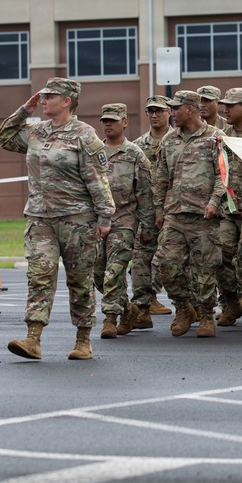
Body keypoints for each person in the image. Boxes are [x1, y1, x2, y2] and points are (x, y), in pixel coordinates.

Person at [0, 77, 115, 361]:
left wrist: (104, 217)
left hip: (78, 219)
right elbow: (4, 138)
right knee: (39, 276)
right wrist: (23, 111)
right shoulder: (36, 131)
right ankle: (33, 339)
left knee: (80, 280)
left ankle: (83, 340)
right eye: (43, 95)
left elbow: (98, 180)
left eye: (50, 96)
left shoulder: (84, 135)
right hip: (40, 218)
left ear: (67, 101)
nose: (44, 99)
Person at [152, 90, 226, 337]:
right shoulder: (170, 140)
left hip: (204, 216)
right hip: (174, 213)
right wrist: (159, 210)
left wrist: (215, 201)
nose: (171, 113)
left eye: (175, 108)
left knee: (205, 270)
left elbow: (224, 174)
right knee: (166, 266)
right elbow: (161, 177)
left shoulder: (216, 137)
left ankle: (206, 315)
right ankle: (184, 308)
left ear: (190, 109)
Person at [92, 103, 156, 339]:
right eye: (105, 120)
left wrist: (147, 226)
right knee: (97, 274)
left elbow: (145, 193)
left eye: (113, 120)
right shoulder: (94, 152)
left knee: (114, 272)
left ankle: (110, 318)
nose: (108, 124)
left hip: (124, 220)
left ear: (125, 123)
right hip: (96, 222)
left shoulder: (134, 154)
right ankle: (128, 309)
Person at [130, 95, 174, 323]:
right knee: (141, 260)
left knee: (171, 261)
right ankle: (143, 307)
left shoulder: (177, 141)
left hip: (174, 211)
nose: (154, 115)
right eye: (150, 111)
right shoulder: (138, 146)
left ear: (170, 113)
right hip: (146, 213)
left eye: (159, 111)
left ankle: (191, 305)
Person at [216, 87, 242, 326]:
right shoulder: (222, 137)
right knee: (220, 255)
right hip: (228, 208)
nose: (225, 109)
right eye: (225, 105)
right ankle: (232, 302)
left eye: (231, 105)